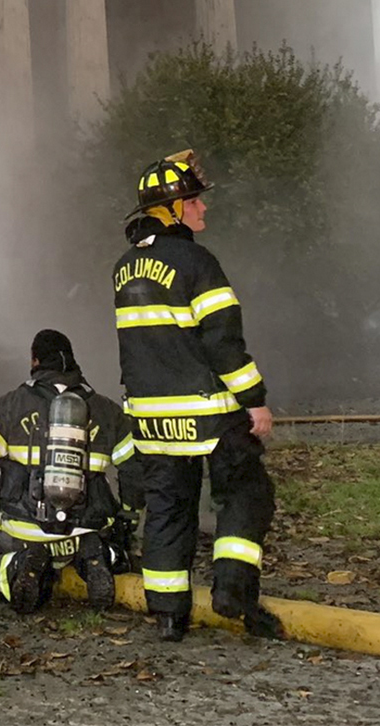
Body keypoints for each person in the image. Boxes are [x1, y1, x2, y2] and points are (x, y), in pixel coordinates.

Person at [113, 149, 282, 642]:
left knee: (167, 508)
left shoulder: (124, 268)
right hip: (208, 414)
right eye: (194, 201)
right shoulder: (196, 262)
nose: (203, 209)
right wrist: (255, 400)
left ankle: (168, 616)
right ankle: (232, 590)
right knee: (247, 492)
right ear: (171, 209)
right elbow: (222, 341)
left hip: (152, 420)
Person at [0, 329, 136, 615]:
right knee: (120, 549)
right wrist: (127, 516)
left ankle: (16, 565)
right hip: (87, 528)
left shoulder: (8, 407)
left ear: (35, 361)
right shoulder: (108, 412)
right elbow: (134, 471)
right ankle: (99, 555)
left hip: (22, 531)